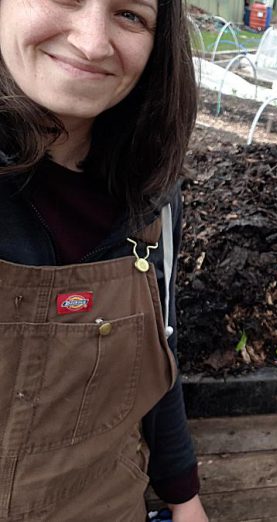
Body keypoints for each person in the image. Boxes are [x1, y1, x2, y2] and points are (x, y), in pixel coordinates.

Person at [0, 0, 208, 520]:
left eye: (130, 15)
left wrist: (184, 500)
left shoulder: (152, 200)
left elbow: (158, 351)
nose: (93, 43)